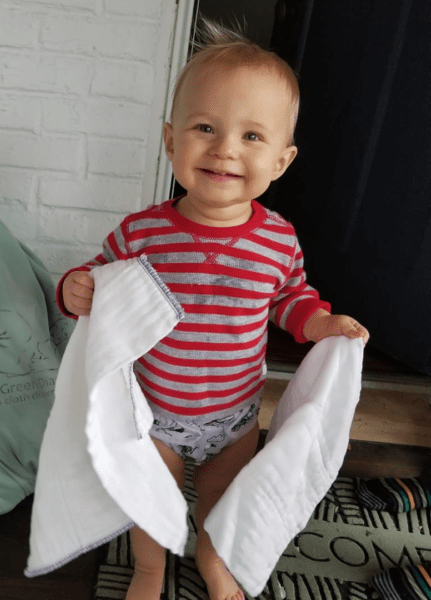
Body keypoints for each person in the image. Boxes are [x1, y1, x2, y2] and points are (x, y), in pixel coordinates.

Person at [57, 20, 370, 600]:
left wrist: (321, 324)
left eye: (252, 136)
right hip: (154, 416)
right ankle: (149, 568)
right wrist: (75, 287)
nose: (225, 147)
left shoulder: (277, 240)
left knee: (224, 510)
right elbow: (98, 282)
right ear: (171, 140)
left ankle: (215, 559)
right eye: (205, 127)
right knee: (151, 503)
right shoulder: (143, 233)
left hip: (233, 419)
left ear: (282, 160)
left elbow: (288, 298)